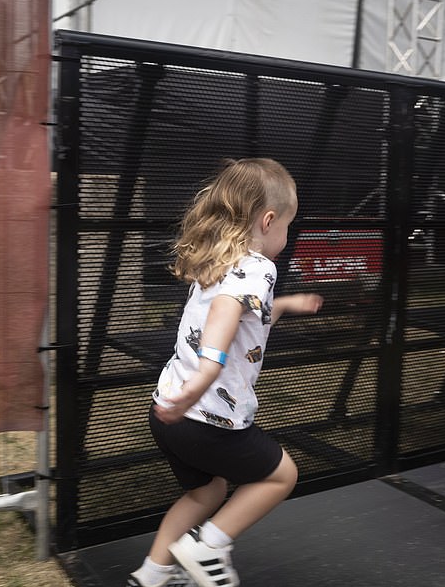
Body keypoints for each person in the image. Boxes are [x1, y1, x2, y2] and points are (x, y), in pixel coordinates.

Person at [127, 158, 324, 587]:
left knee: (207, 491)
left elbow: (239, 326)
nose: (286, 237)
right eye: (288, 226)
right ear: (268, 221)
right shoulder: (258, 267)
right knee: (281, 475)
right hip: (207, 416)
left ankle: (153, 573)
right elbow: (224, 315)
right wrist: (203, 377)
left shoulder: (216, 264)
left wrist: (286, 306)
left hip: (168, 412)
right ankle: (209, 547)